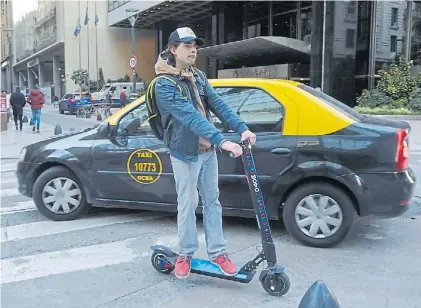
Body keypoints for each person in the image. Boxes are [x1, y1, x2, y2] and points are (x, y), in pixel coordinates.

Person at [153, 27, 256, 279]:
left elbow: (217, 104)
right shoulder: (163, 84)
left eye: (195, 45)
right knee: (188, 205)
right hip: (184, 153)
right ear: (172, 49)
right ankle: (186, 254)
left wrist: (241, 129)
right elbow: (190, 117)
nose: (193, 49)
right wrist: (223, 141)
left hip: (207, 151)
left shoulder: (197, 76)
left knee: (213, 202)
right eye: (187, 45)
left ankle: (218, 253)